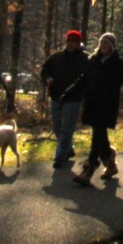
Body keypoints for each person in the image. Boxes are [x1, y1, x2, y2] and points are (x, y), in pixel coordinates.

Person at [62, 31, 123, 186]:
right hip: (92, 104)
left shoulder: (119, 65)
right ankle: (110, 161)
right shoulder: (93, 61)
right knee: (100, 135)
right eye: (102, 43)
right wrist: (66, 94)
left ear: (112, 47)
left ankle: (89, 169)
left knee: (97, 135)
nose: (103, 46)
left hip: (107, 106)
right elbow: (81, 82)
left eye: (107, 44)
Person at [40, 29, 88, 169]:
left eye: (74, 42)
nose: (71, 44)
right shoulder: (56, 57)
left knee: (67, 128)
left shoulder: (85, 59)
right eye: (69, 41)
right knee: (57, 127)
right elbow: (44, 69)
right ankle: (69, 149)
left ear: (79, 43)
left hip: (74, 99)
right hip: (56, 96)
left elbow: (92, 75)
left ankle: (59, 157)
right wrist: (47, 79)